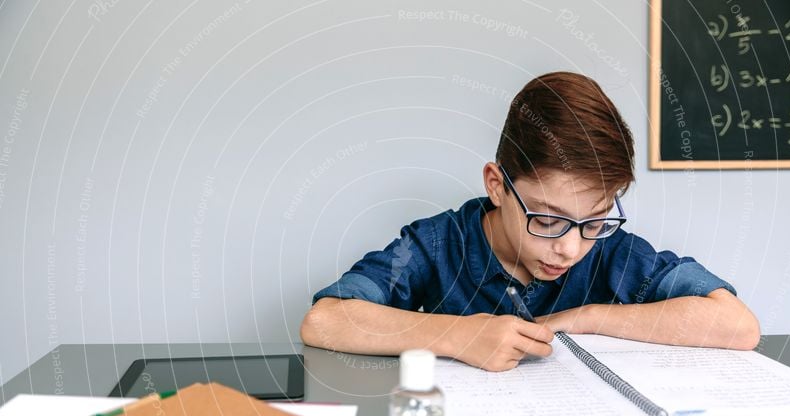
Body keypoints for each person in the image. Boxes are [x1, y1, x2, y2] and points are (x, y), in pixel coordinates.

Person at [300, 72, 760, 371]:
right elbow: (324, 321)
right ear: (497, 185)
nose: (571, 248)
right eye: (549, 219)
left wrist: (588, 318)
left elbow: (737, 325)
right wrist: (460, 334)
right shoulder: (438, 244)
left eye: (594, 221)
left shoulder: (611, 252)